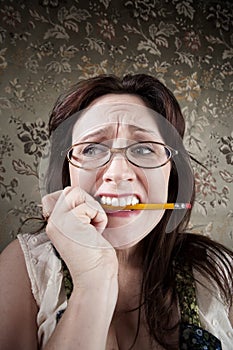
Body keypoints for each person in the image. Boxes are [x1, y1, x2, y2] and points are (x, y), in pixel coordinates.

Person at [0, 74, 232, 350]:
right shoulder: (23, 267)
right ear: (67, 175)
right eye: (92, 148)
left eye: (145, 148)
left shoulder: (219, 273)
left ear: (172, 174)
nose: (118, 173)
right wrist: (93, 281)